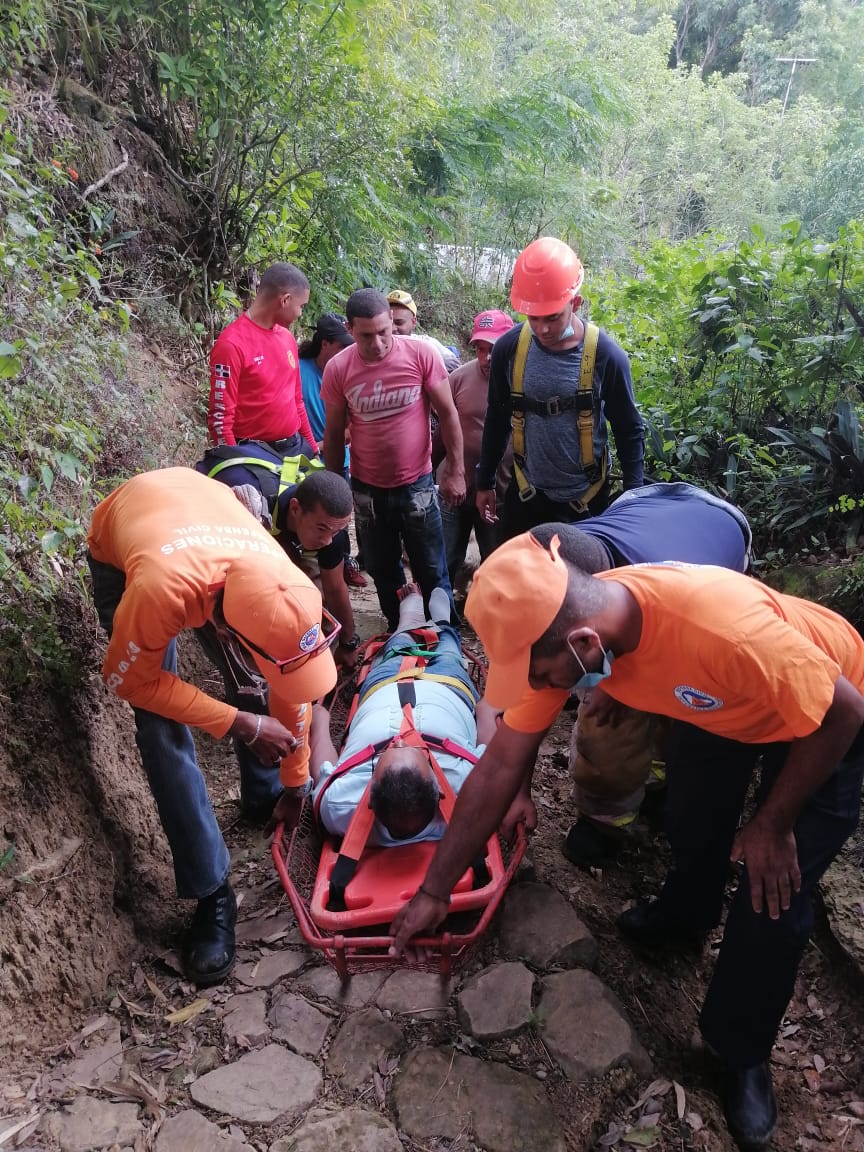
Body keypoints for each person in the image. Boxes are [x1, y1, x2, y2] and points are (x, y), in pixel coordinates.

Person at [391, 535, 864, 1150]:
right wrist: (434, 888)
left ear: (584, 644)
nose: (536, 686)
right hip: (719, 702)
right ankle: (685, 916)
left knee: (772, 890)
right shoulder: (584, 623)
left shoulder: (724, 634)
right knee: (694, 817)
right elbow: (501, 764)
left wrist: (772, 823)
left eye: (537, 673)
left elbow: (843, 711)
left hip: (823, 716)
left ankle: (739, 1048)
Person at [87, 468, 338, 985]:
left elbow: (289, 683)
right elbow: (128, 681)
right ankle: (210, 890)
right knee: (160, 725)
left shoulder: (279, 575)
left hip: (203, 515)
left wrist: (296, 782)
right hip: (132, 535)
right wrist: (241, 723)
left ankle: (263, 789)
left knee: (259, 674)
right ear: (221, 627)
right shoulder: (161, 593)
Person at [543, 482, 752, 867]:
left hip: (709, 564)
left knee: (655, 707)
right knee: (610, 702)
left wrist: (616, 683)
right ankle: (613, 814)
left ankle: (644, 795)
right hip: (652, 513)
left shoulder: (697, 605)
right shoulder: (564, 556)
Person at [476, 237, 644, 543]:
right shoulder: (509, 349)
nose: (542, 329)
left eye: (552, 317)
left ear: (575, 304)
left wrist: (633, 497)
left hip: (586, 501)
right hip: (527, 495)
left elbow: (628, 429)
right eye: (533, 317)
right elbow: (498, 417)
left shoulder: (606, 356)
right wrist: (484, 479)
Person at [321, 288, 466, 632]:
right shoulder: (339, 369)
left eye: (385, 332)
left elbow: (448, 414)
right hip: (368, 488)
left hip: (417, 483)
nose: (379, 343)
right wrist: (333, 489)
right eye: (367, 335)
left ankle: (445, 638)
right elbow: (333, 432)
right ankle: (398, 631)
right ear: (350, 329)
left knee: (432, 567)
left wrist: (456, 470)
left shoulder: (420, 354)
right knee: (382, 568)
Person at [310, 583, 495, 844]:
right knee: (449, 644)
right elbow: (491, 746)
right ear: (441, 791)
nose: (400, 739)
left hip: (383, 686)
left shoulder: (341, 805)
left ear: (369, 801)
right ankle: (442, 621)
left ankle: (408, 620)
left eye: (388, 751)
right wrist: (486, 711)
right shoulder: (470, 791)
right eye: (420, 753)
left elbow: (323, 771)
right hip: (449, 686)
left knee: (397, 644)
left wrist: (319, 721)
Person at [194, 450, 362, 669]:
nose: (327, 540)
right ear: (295, 508)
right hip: (217, 516)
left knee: (311, 597)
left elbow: (335, 588)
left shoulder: (329, 525)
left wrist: (348, 642)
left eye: (336, 531)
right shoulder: (250, 509)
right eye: (322, 529)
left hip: (278, 530)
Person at [434, 309, 516, 586]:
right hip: (455, 489)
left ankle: (489, 622)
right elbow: (440, 430)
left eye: (494, 348)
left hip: (500, 495)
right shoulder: (459, 378)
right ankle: (441, 619)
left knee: (496, 564)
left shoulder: (525, 382)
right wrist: (431, 471)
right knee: (444, 560)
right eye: (481, 349)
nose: (487, 357)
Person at [208, 262, 317, 454]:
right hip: (253, 452)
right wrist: (235, 464)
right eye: (301, 306)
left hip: (294, 447)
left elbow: (296, 400)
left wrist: (313, 449)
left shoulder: (288, 338)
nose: (301, 313)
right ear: (285, 300)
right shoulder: (232, 345)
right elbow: (220, 419)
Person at [297, 314, 367, 590]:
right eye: (342, 347)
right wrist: (317, 445)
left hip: (339, 459)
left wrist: (335, 441)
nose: (348, 353)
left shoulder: (348, 372)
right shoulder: (298, 371)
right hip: (304, 459)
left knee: (339, 518)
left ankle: (343, 563)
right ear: (325, 344)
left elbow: (353, 425)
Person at [387, 289, 460, 372]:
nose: (392, 329)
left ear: (413, 322)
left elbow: (455, 368)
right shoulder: (376, 348)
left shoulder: (427, 346)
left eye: (399, 323)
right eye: (388, 323)